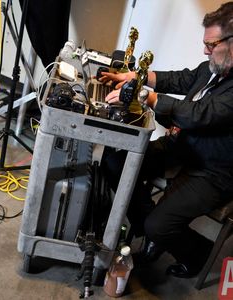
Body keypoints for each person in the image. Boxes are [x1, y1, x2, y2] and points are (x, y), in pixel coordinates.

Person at [100, 1, 233, 278]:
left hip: (215, 170)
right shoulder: (216, 65)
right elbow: (183, 79)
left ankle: (196, 252)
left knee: (158, 225)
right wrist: (137, 77)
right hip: (184, 147)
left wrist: (146, 96)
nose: (205, 50)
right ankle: (146, 225)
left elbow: (201, 114)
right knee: (114, 162)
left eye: (211, 44)